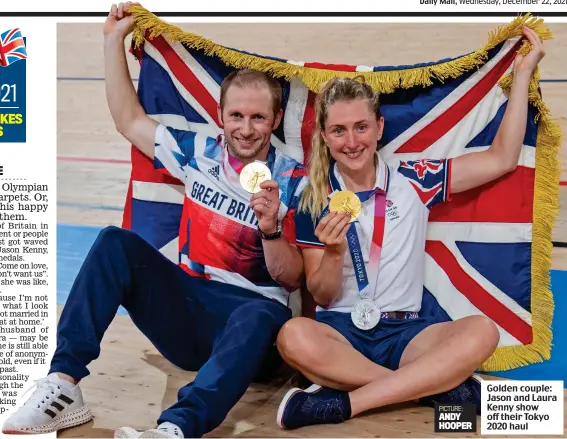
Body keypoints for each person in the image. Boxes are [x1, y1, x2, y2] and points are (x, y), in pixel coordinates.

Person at [2, 3, 307, 438]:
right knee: (114, 243)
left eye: (258, 117)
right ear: (221, 116)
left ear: (275, 119)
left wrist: (271, 228)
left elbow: (293, 280)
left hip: (255, 328)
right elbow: (129, 120)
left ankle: (176, 430)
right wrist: (113, 41)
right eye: (236, 115)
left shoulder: (297, 180)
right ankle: (64, 385)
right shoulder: (197, 153)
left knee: (260, 314)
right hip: (190, 312)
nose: (246, 128)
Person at [275, 26, 545, 429]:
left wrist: (521, 75)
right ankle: (434, 391)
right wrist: (333, 253)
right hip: (342, 333)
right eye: (339, 131)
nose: (351, 141)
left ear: (379, 128)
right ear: (326, 138)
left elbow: (502, 158)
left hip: (409, 334)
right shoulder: (313, 198)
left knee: (482, 332)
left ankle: (340, 404)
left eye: (361, 127)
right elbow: (322, 294)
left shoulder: (415, 179)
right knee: (292, 335)